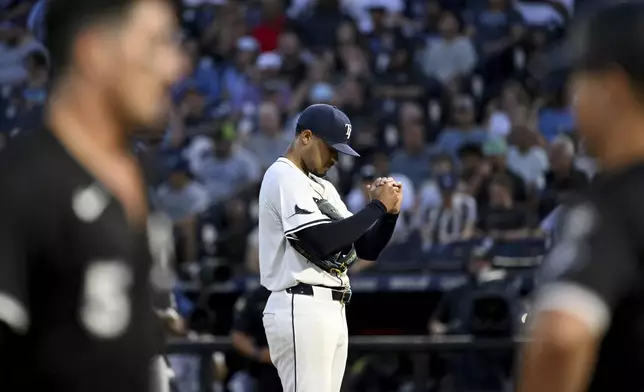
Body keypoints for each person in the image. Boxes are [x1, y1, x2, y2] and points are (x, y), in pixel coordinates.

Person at [0, 0, 185, 391]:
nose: (176, 67)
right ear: (94, 52)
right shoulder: (22, 184)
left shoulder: (136, 180)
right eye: (155, 44)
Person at [518, 3, 644, 392]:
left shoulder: (615, 200)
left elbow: (562, 337)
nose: (573, 100)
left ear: (611, 88)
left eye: (578, 82)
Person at [258, 103, 402, 392]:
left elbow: (367, 248)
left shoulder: (324, 188)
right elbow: (321, 242)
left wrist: (389, 215)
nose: (336, 158)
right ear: (306, 137)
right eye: (331, 148)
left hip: (331, 307)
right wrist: (376, 206)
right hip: (300, 303)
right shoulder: (283, 176)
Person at [231, 285, 282, 392]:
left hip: (299, 364)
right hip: (267, 370)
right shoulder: (255, 296)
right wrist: (258, 353)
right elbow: (237, 336)